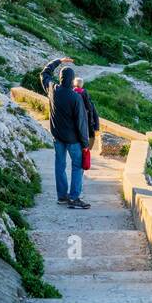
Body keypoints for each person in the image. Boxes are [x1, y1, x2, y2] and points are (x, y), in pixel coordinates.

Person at [39, 56, 90, 210]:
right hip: (73, 140)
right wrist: (85, 144)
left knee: (60, 166)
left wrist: (58, 61)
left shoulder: (53, 90)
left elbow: (44, 73)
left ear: (60, 78)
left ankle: (62, 197)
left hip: (58, 138)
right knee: (77, 166)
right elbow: (81, 123)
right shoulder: (76, 97)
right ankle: (74, 198)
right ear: (72, 80)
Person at [74, 77, 100, 152]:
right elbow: (93, 111)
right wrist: (96, 126)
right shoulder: (85, 94)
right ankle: (88, 149)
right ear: (82, 85)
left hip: (73, 123)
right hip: (86, 120)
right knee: (89, 137)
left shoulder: (71, 93)